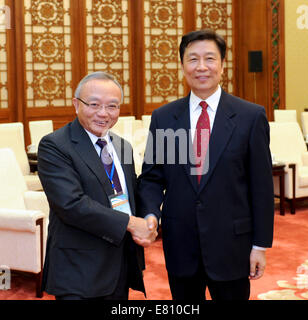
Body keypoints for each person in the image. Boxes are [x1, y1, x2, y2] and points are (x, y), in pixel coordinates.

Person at [137, 29, 274, 300]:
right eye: (193, 59)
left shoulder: (250, 117)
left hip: (232, 246)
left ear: (222, 65)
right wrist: (151, 213)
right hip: (180, 244)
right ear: (182, 66)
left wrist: (260, 245)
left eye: (209, 59)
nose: (201, 67)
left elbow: (261, 188)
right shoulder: (164, 118)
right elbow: (153, 177)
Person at [37, 71, 157, 300]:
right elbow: (71, 204)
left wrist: (150, 217)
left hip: (119, 265)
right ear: (76, 104)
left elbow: (130, 194)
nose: (103, 113)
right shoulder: (55, 145)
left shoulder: (122, 146)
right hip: (79, 270)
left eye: (112, 106)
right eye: (94, 104)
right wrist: (132, 224)